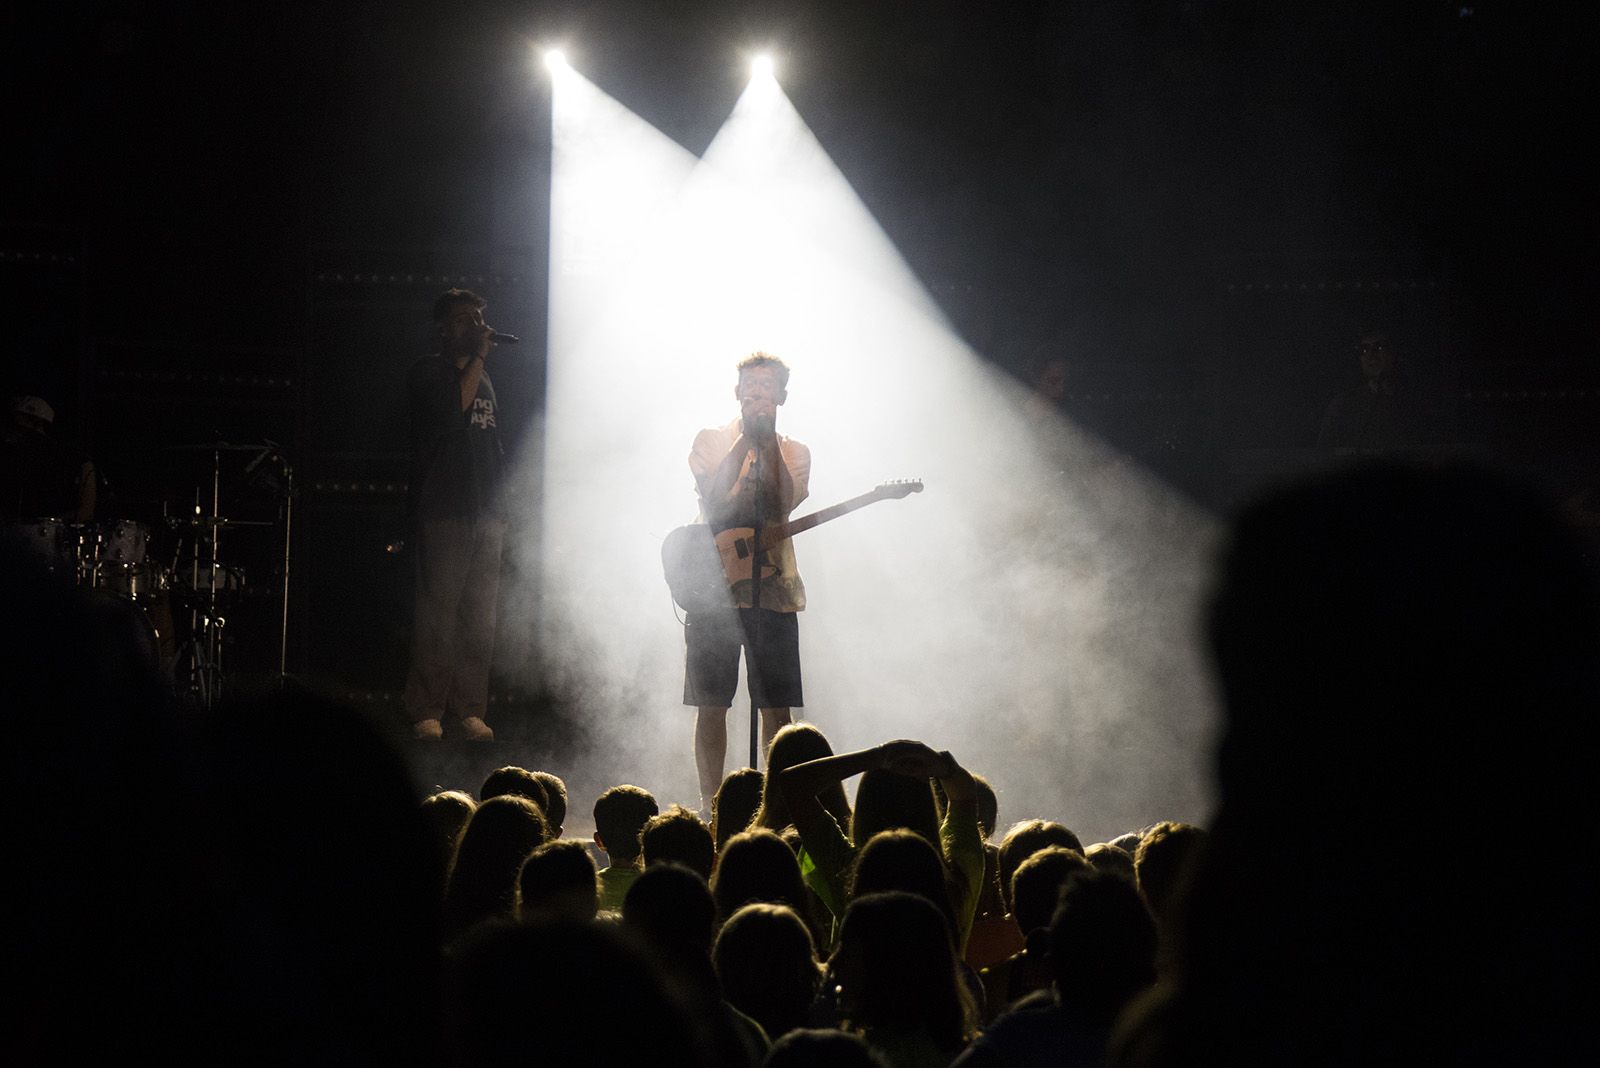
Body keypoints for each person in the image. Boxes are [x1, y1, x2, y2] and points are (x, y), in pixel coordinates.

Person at [685, 352, 812, 806]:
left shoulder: (796, 451)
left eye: (767, 386)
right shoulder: (711, 440)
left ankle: (777, 802)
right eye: (750, 386)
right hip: (713, 590)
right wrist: (745, 442)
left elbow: (781, 505)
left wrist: (768, 443)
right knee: (712, 702)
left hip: (774, 589)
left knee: (777, 705)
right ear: (737, 392)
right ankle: (710, 804)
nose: (758, 393)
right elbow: (714, 500)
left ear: (781, 396)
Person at [404, 288, 509, 742]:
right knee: (439, 612)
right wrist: (479, 360)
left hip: (486, 510)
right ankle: (427, 709)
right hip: (445, 506)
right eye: (466, 319)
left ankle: (470, 709)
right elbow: (452, 414)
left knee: (480, 616)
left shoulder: (482, 377)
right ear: (445, 329)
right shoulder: (429, 371)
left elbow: (490, 441)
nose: (477, 325)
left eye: (480, 317)